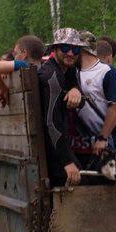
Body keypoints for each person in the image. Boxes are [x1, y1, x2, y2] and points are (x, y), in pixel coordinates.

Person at [36, 28, 87, 187]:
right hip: (51, 149)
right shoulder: (52, 76)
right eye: (65, 48)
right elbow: (51, 122)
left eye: (75, 49)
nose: (71, 53)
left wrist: (76, 90)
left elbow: (81, 99)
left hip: (61, 143)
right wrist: (66, 162)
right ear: (54, 49)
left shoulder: (69, 69)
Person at [73, 35, 116, 171]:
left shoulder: (106, 71)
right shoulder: (73, 72)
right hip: (81, 142)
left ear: (81, 49)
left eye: (72, 49)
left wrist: (103, 137)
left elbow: (115, 107)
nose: (70, 53)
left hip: (106, 141)